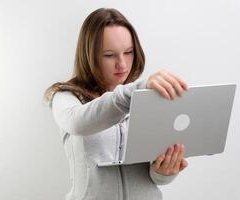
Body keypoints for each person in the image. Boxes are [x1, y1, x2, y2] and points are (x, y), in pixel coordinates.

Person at [44, 8, 188, 200]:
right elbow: (78, 123)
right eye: (109, 55)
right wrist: (133, 93)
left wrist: (164, 171)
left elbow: (153, 177)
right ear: (89, 55)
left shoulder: (146, 96)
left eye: (128, 52)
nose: (122, 64)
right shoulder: (65, 96)